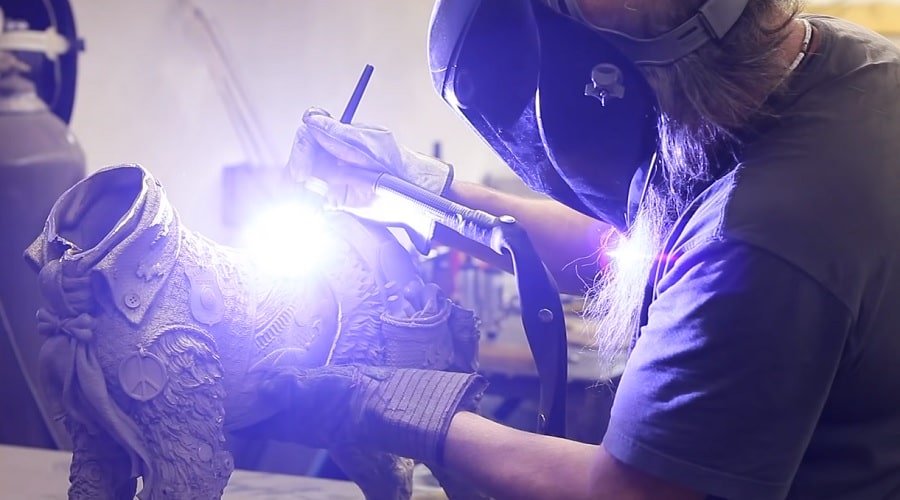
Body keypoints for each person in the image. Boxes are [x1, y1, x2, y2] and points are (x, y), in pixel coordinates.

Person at [271, 0, 900, 498]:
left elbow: (626, 492)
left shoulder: (767, 229)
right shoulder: (836, 67)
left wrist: (396, 406)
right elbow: (653, 255)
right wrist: (418, 191)